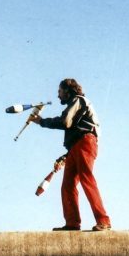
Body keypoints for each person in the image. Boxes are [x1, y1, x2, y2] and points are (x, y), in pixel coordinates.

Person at [29, 79, 112, 231]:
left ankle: (103, 221)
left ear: (68, 91)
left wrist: (42, 122)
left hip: (86, 142)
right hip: (77, 146)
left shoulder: (78, 100)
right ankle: (72, 224)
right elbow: (75, 131)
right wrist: (66, 156)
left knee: (87, 179)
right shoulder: (75, 103)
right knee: (67, 186)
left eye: (60, 91)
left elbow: (66, 122)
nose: (58, 95)